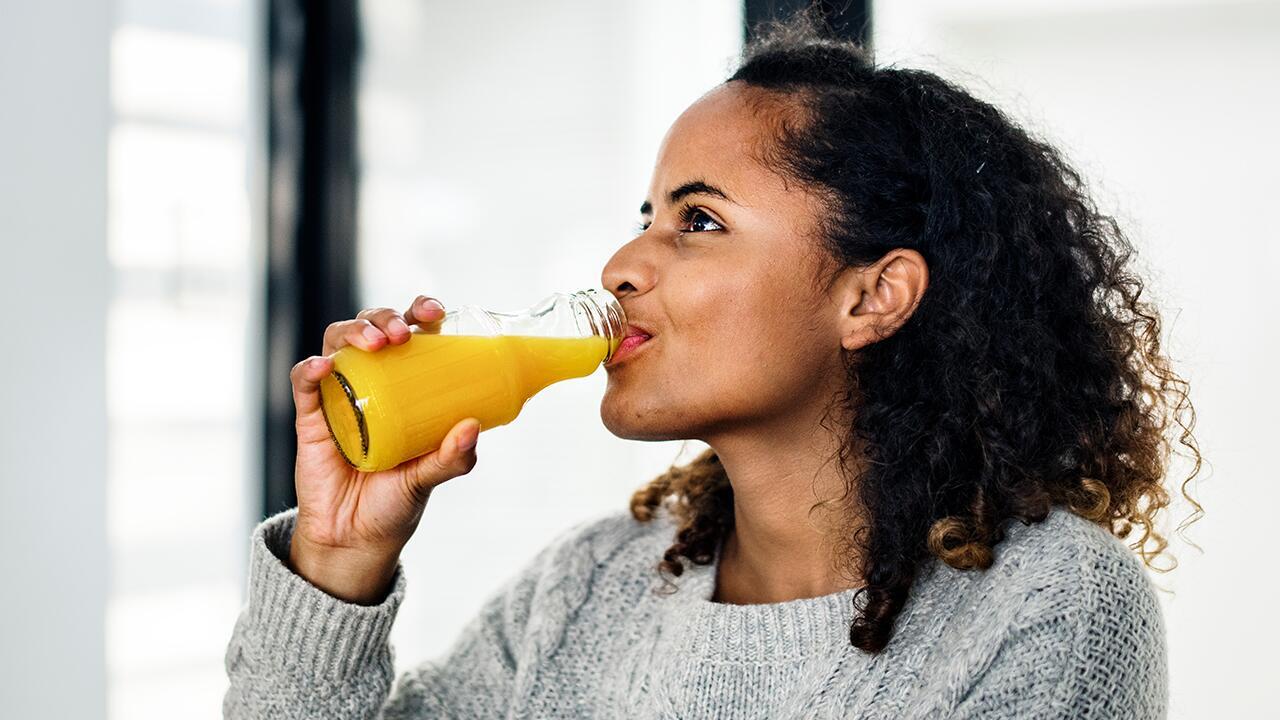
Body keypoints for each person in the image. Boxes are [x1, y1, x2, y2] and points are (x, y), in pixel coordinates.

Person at [224, 11, 1202, 719]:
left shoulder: (1048, 607)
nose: (619, 269)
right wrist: (338, 562)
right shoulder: (587, 589)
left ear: (871, 296)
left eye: (697, 221)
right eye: (642, 219)